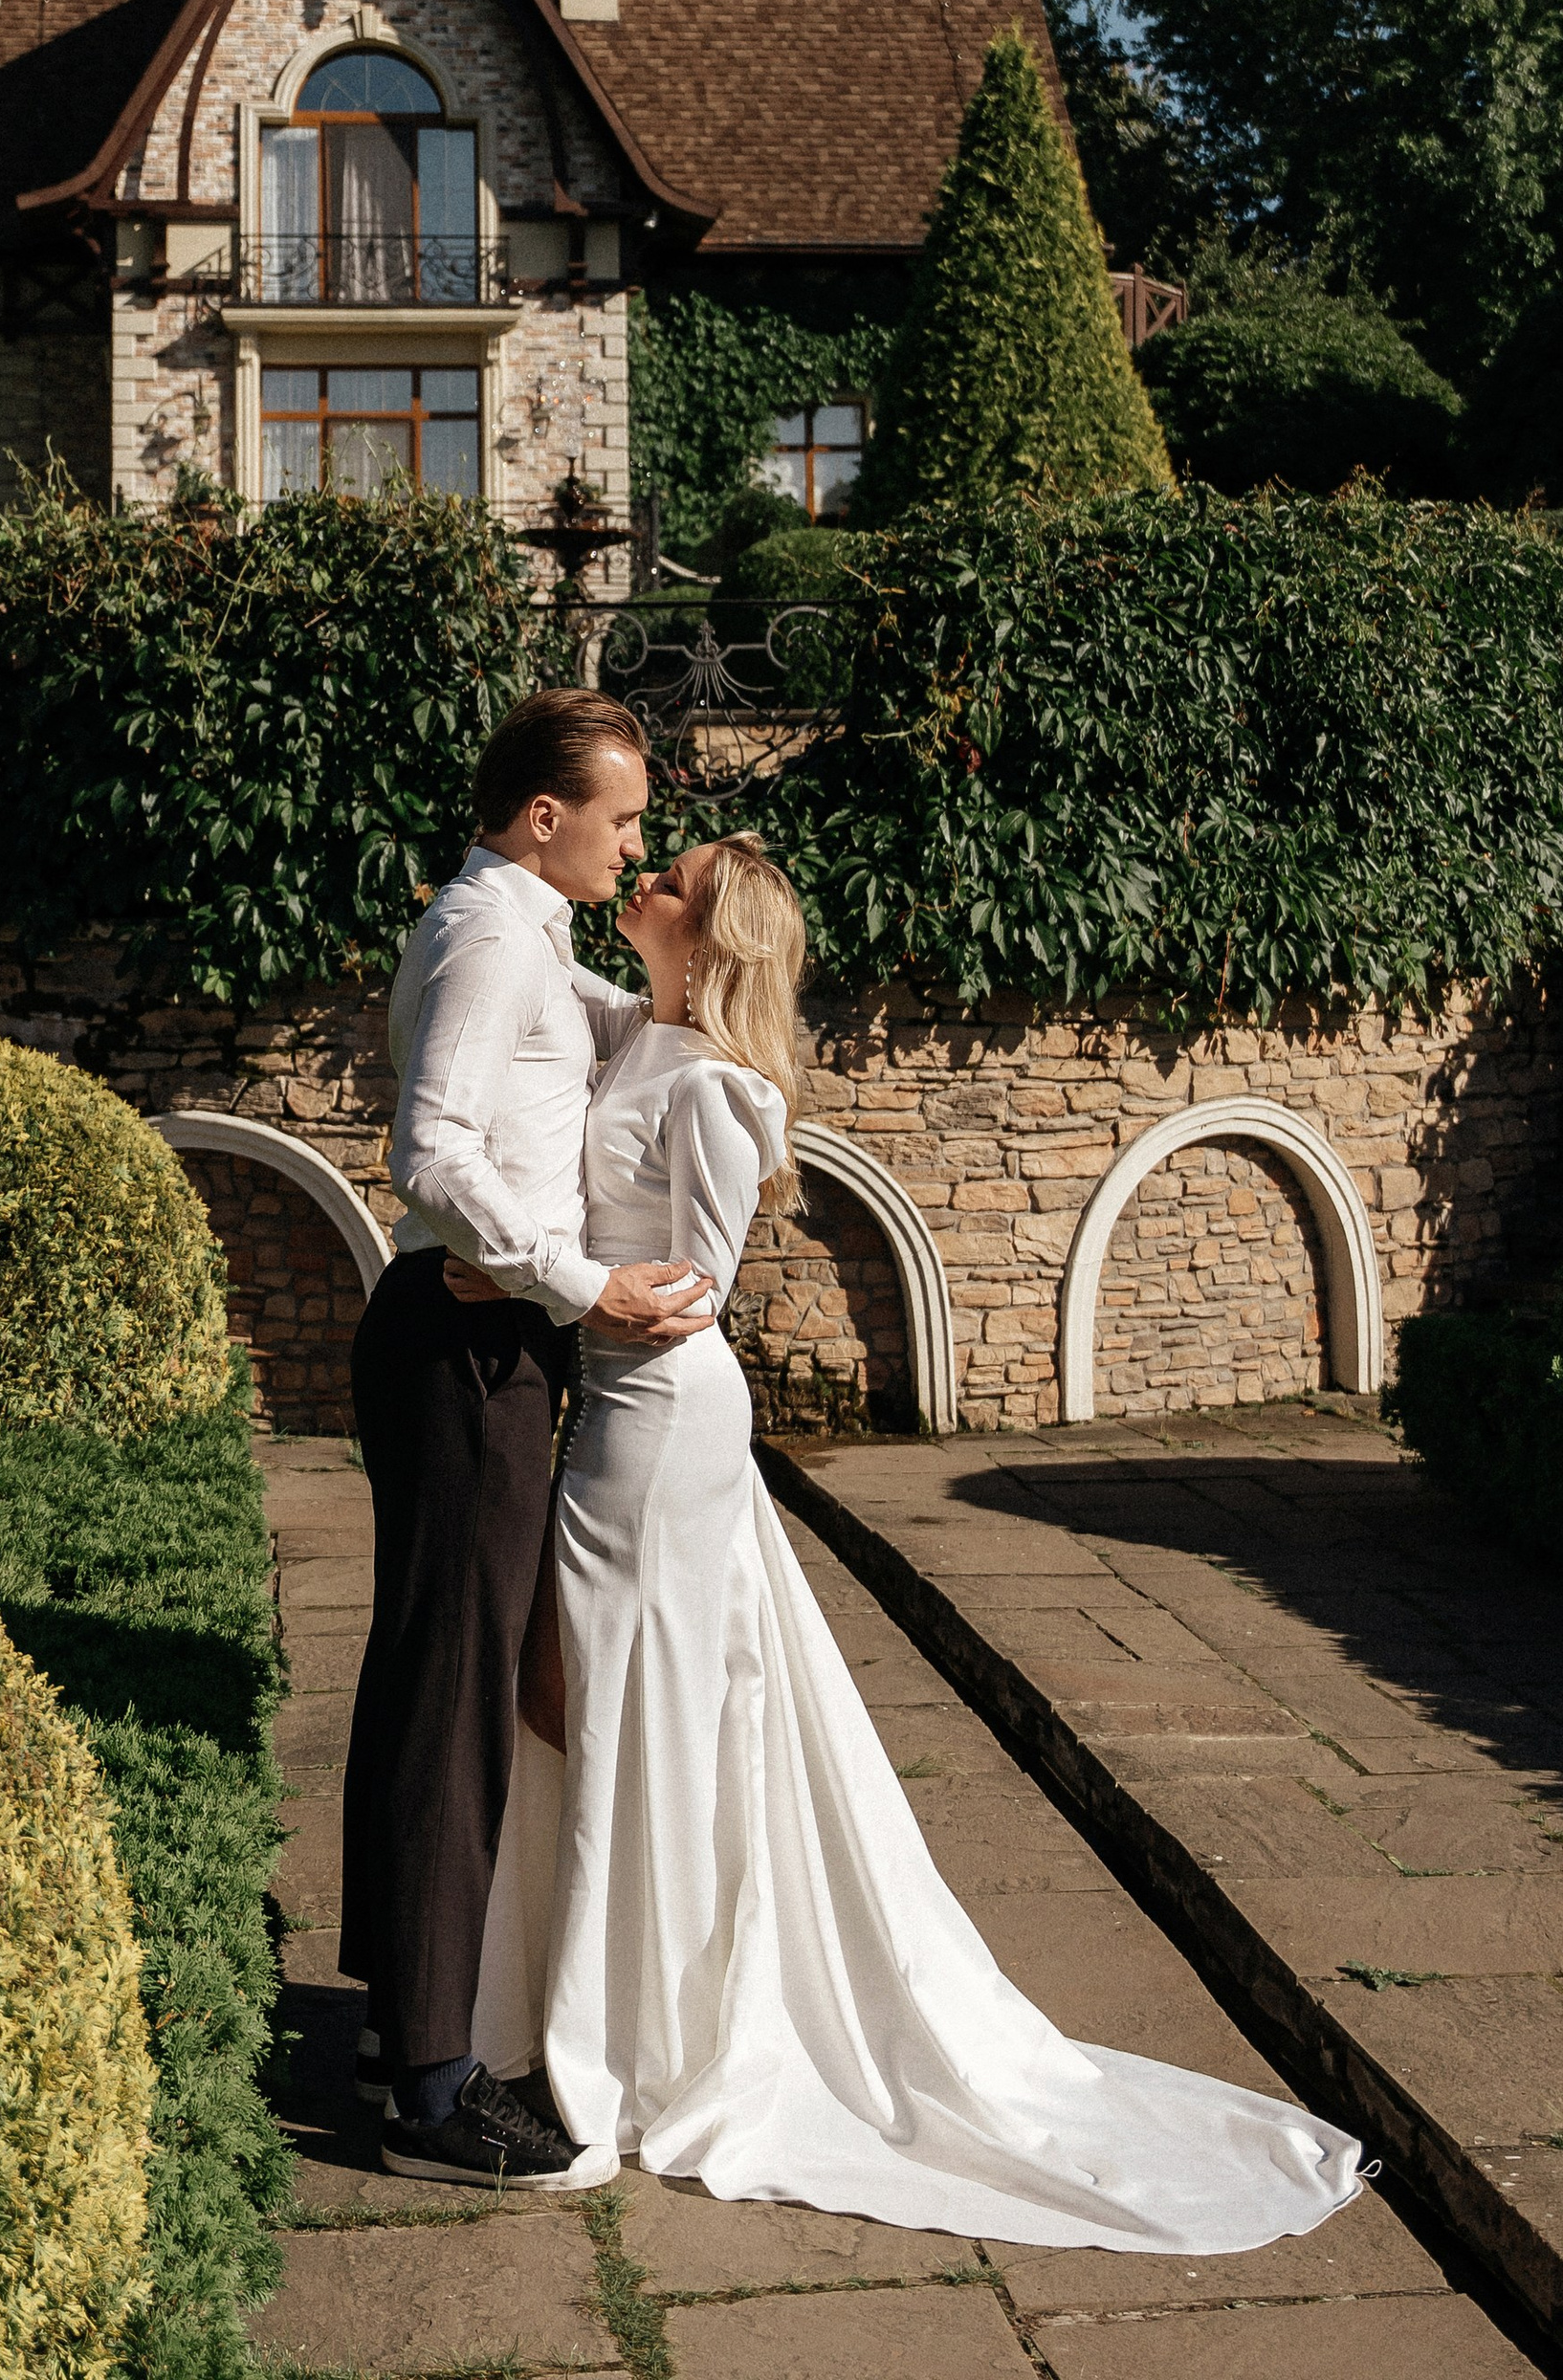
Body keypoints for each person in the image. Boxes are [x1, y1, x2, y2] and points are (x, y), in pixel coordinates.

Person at [471, 832, 1366, 2251]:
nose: (642, 881)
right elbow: (522, 997)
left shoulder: (717, 1085)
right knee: (584, 1692)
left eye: (671, 881)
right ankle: (594, 1997)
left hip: (660, 1425)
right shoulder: (639, 1028)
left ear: (704, 934)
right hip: (618, 1413)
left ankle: (629, 2029)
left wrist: (553, 1288)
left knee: (618, 1693)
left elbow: (694, 1287)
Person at [340, 689, 716, 2192]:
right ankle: (433, 2086)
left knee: (436, 1668)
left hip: (484, 1339)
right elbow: (428, 1149)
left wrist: (673, 959)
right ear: (544, 816)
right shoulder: (490, 938)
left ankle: (400, 2015)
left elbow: (627, 1053)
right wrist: (580, 1280)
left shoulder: (533, 934)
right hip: (461, 1349)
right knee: (458, 1689)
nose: (637, 844)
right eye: (622, 820)